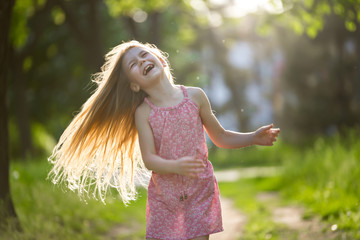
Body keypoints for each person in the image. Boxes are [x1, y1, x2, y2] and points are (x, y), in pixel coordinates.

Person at [48, 40, 280, 240]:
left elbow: (220, 137)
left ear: (160, 59)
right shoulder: (144, 113)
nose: (141, 62)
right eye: (133, 65)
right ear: (134, 84)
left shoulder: (196, 96)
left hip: (200, 189)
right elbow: (149, 159)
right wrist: (175, 166)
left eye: (143, 55)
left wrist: (253, 137)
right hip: (164, 198)